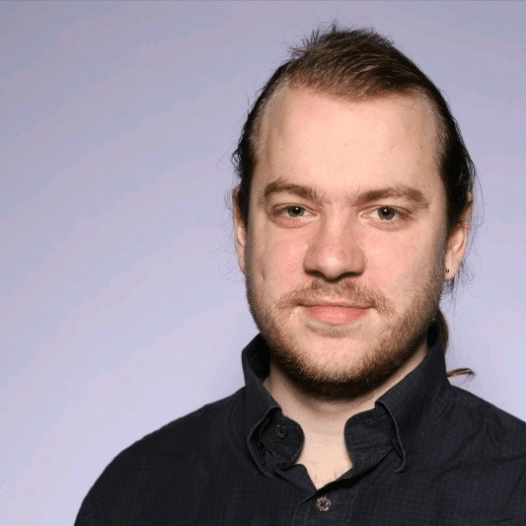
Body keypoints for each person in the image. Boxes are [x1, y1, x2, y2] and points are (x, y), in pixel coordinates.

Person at [75, 26, 526, 525]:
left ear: (454, 239)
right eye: (295, 210)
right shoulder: (133, 496)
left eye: (385, 212)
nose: (332, 259)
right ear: (243, 229)